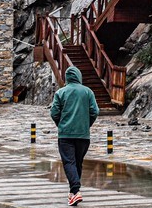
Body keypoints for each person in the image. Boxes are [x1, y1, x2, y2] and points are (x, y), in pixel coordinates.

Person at [49, 66, 99, 205]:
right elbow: (94, 111)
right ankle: (73, 193)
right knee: (77, 163)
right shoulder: (88, 92)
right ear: (79, 76)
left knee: (69, 162)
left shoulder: (61, 92)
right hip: (83, 136)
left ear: (67, 77)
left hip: (65, 135)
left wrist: (61, 125)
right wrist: (86, 125)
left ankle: (76, 191)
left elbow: (54, 113)